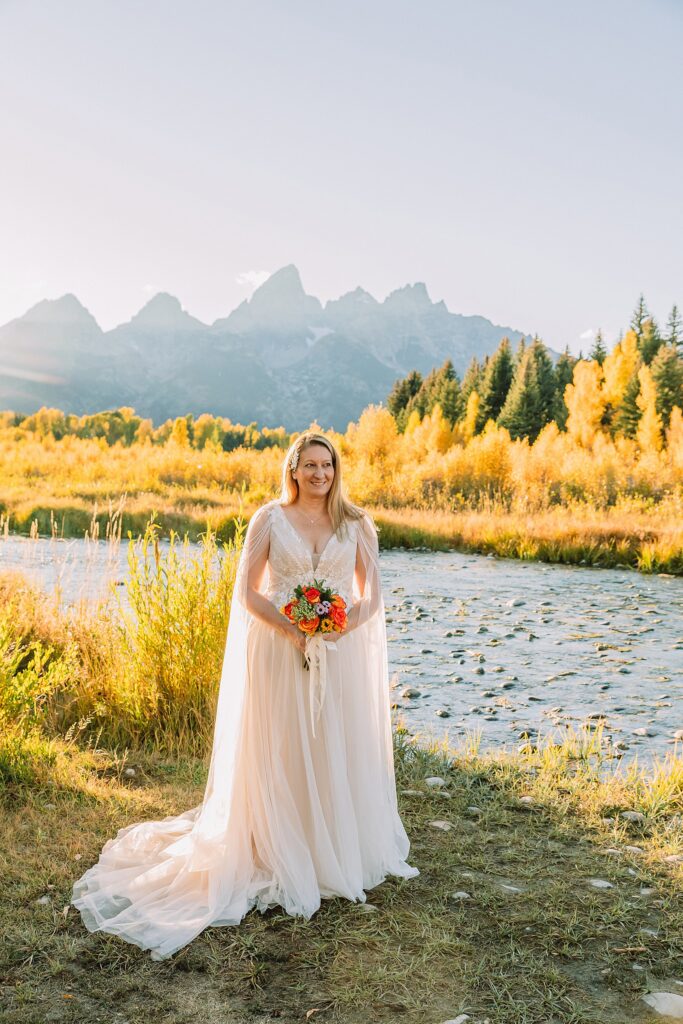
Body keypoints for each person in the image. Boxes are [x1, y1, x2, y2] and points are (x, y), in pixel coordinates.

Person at [72, 430, 419, 960]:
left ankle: (331, 846)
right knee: (280, 745)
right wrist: (290, 626)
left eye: (327, 465)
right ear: (293, 469)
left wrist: (340, 628)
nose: (319, 475)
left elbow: (371, 597)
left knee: (331, 744)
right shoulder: (269, 520)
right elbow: (247, 591)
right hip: (279, 650)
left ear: (336, 469)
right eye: (309, 466)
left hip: (337, 652)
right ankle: (274, 845)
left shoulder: (357, 524)